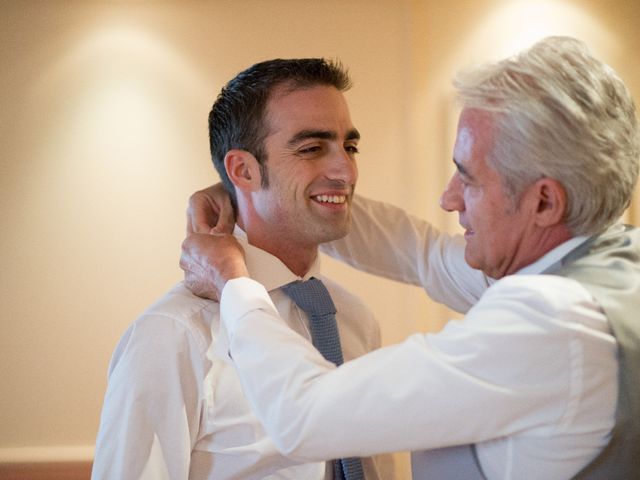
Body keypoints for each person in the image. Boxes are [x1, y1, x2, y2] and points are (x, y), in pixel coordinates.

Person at [180, 36, 640, 480]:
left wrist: (233, 283)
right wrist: (259, 191)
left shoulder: (552, 323)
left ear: (543, 203)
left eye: (469, 178)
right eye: (313, 148)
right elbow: (422, 254)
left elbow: (304, 416)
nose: (448, 199)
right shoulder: (613, 262)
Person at [92, 58, 394, 479]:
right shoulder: (173, 335)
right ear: (242, 170)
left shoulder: (356, 320)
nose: (345, 170)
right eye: (312, 148)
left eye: (350, 147)